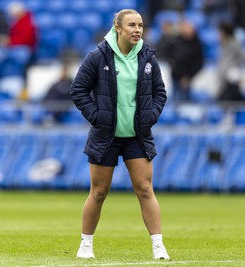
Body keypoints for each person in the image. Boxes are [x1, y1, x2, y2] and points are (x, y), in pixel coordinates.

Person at [70, 9, 169, 260]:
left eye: (141, 25)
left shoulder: (148, 58)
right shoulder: (97, 56)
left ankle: (158, 246)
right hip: (106, 137)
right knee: (99, 191)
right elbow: (78, 89)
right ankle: (86, 245)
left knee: (145, 189)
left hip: (137, 136)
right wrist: (98, 117)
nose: (137, 30)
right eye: (132, 25)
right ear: (118, 28)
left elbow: (160, 92)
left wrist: (150, 116)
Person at [169, 20, 204, 102]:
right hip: (175, 76)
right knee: (175, 101)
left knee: (185, 102)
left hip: (188, 78)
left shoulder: (197, 44)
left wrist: (188, 76)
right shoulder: (177, 41)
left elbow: (199, 63)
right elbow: (170, 53)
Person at [217, 23, 245, 102]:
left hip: (231, 73)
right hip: (223, 76)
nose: (218, 35)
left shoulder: (233, 44)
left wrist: (234, 64)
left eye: (220, 33)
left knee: (232, 96)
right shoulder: (223, 45)